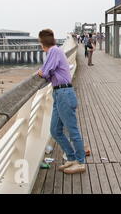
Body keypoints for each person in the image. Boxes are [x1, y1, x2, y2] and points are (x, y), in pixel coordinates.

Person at [37, 29, 86, 174]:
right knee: (55, 130)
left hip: (64, 93)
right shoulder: (56, 51)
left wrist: (42, 71)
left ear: (42, 43)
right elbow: (49, 70)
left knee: (72, 131)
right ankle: (71, 157)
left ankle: (81, 162)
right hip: (59, 93)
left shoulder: (53, 51)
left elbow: (45, 72)